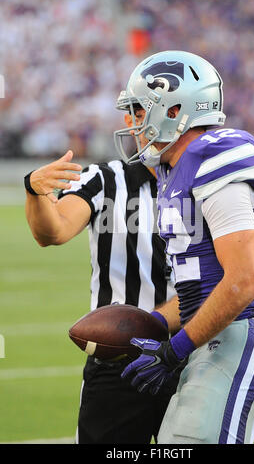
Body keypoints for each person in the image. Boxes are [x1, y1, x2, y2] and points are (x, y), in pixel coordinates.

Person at [114, 50, 254, 444]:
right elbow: (199, 288)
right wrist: (152, 325)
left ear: (174, 109)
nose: (132, 123)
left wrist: (174, 351)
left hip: (236, 342)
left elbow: (243, 283)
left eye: (140, 110)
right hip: (208, 343)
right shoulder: (174, 172)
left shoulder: (216, 155)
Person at [24, 151, 182, 444]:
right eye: (134, 111)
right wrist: (35, 191)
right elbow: (52, 231)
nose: (136, 123)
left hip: (194, 352)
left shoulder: (209, 178)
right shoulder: (104, 178)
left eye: (143, 110)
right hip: (119, 353)